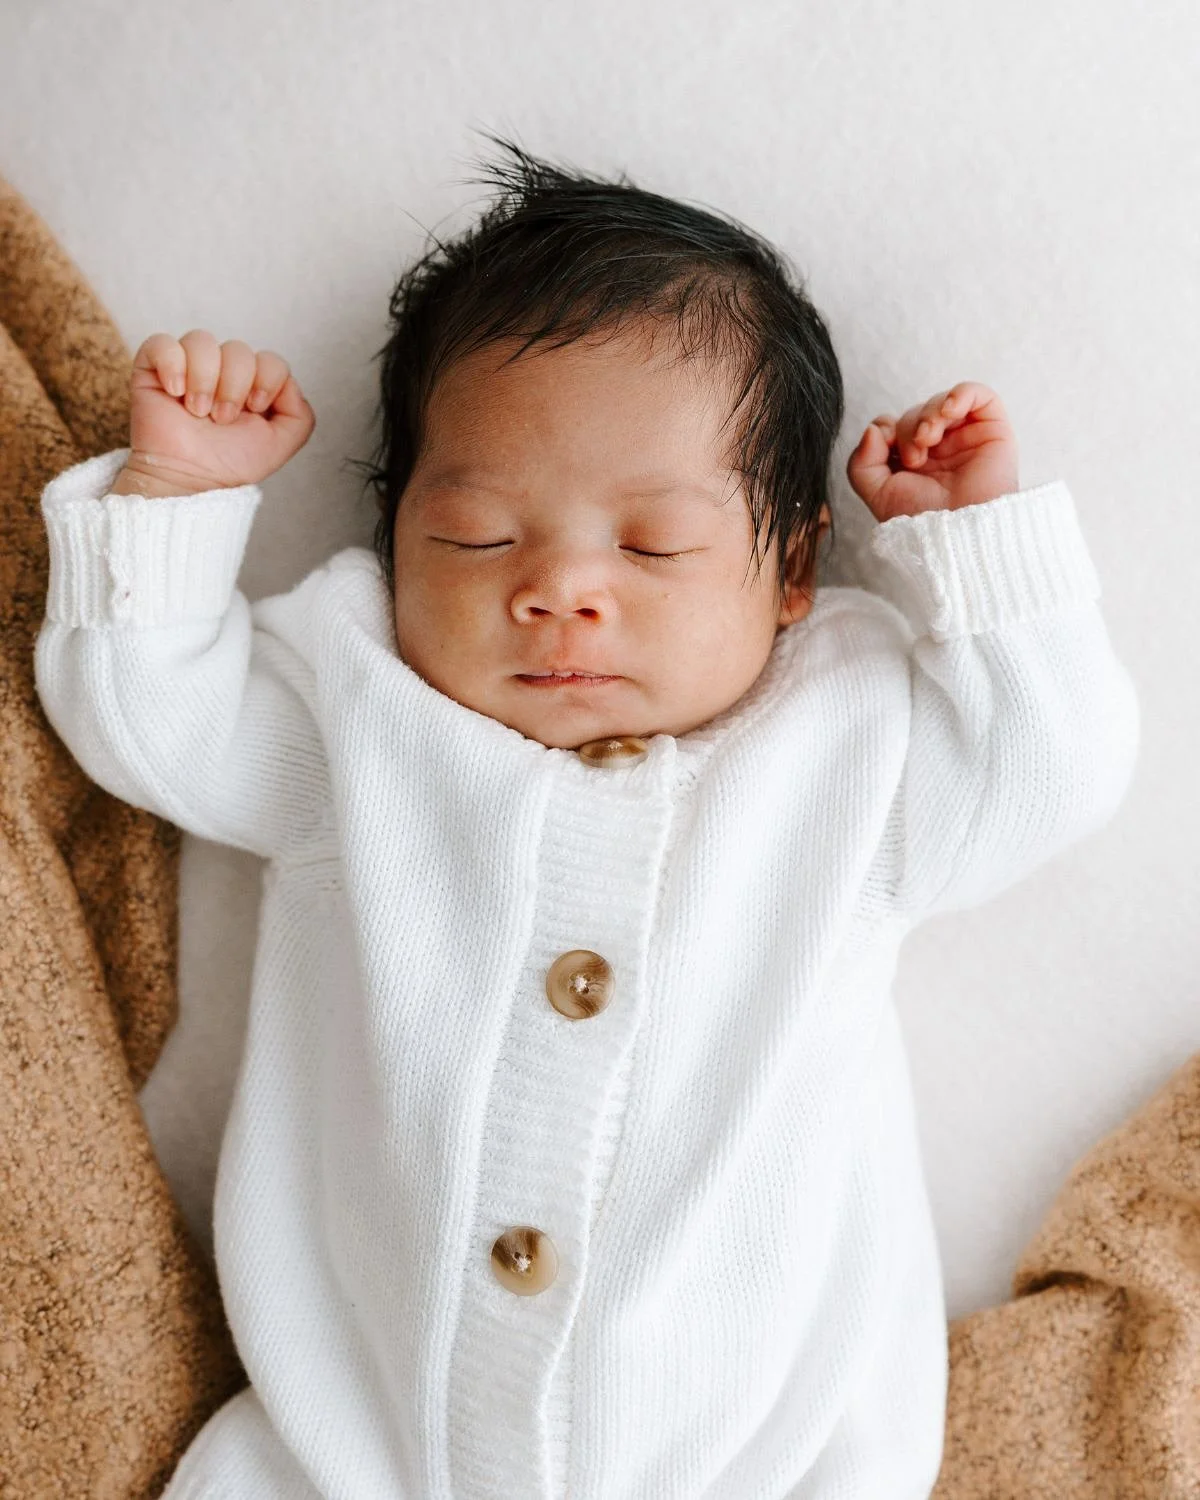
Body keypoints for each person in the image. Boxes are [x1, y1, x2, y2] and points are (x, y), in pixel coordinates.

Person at [33, 138, 1140, 1499]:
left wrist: (981, 545)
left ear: (792, 567)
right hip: (346, 1459)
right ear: (393, 552)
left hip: (765, 1465)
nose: (559, 587)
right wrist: (177, 497)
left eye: (654, 547)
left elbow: (1058, 767)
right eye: (480, 537)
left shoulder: (848, 751)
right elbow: (145, 725)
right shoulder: (361, 715)